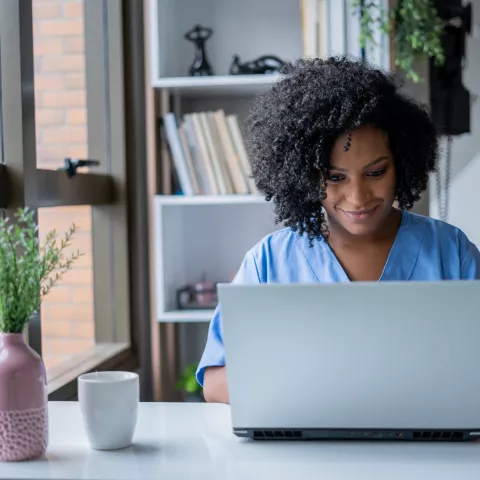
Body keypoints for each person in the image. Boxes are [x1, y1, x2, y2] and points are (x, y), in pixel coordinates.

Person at [196, 56, 480, 404]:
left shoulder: (453, 253)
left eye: (376, 173)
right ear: (304, 174)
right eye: (335, 177)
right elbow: (214, 383)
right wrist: (317, 374)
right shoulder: (268, 262)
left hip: (430, 449)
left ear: (403, 164)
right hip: (306, 451)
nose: (358, 197)